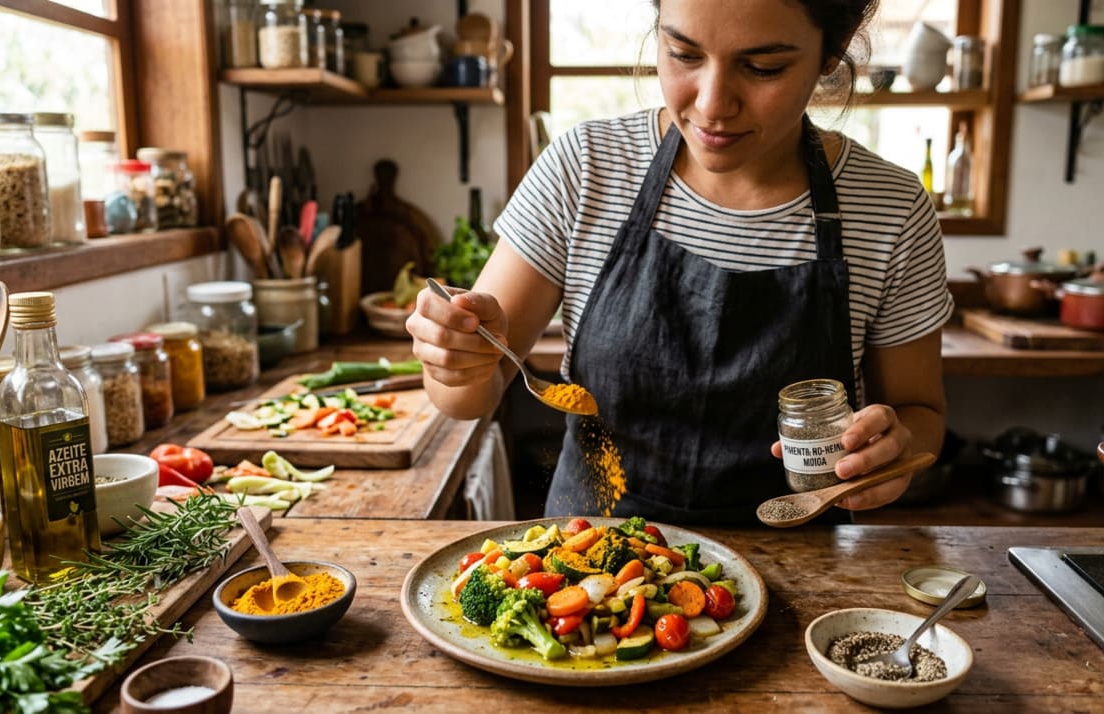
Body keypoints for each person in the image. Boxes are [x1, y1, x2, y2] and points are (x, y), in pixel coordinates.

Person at [407, 0, 952, 525]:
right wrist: (453, 359)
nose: (713, 104)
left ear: (831, 53)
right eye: (684, 55)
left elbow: (919, 414)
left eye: (763, 67)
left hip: (797, 565)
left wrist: (892, 453)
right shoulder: (587, 168)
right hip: (585, 568)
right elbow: (470, 395)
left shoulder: (892, 208)